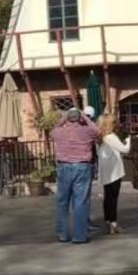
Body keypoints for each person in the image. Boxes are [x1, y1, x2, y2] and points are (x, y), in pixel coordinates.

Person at [50, 100, 102, 244]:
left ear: (68, 117)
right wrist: (85, 118)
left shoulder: (60, 131)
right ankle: (79, 236)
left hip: (64, 166)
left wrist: (63, 118)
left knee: (62, 202)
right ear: (79, 117)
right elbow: (98, 131)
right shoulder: (86, 130)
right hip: (82, 166)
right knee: (81, 202)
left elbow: (52, 131)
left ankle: (63, 234)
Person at [97, 113, 131, 232]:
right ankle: (113, 223)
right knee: (113, 198)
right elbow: (125, 149)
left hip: (105, 170)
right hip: (114, 170)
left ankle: (108, 221)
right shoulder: (110, 136)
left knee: (107, 197)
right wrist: (129, 140)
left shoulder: (100, 137)